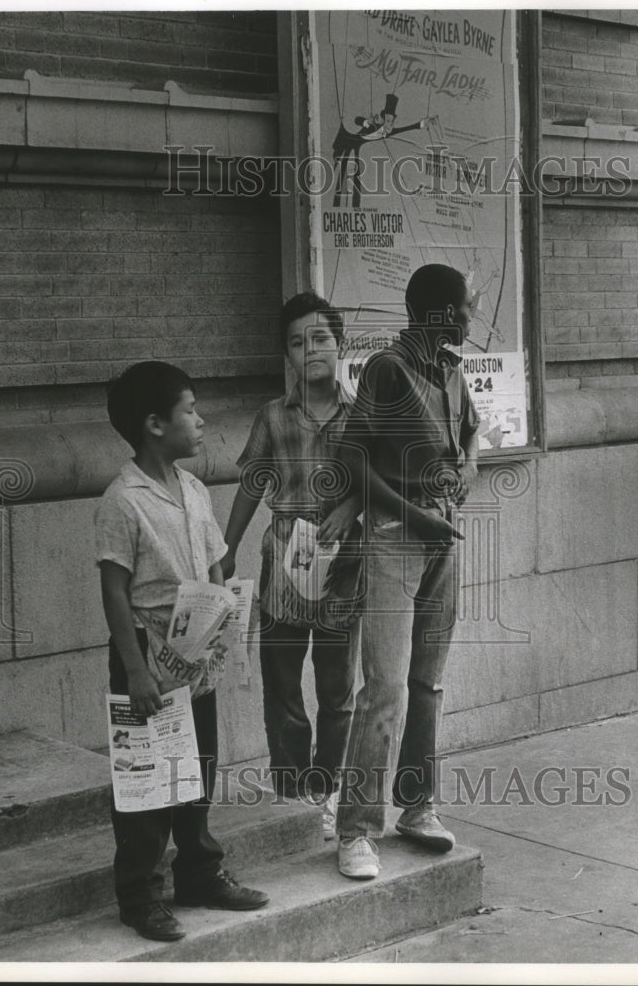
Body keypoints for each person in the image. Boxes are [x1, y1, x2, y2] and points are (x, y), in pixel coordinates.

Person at [94, 361, 269, 942]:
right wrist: (137, 671)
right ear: (154, 425)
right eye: (190, 410)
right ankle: (139, 895)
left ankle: (198, 873)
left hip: (195, 656)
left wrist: (226, 618)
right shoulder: (123, 501)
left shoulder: (193, 489)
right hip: (147, 657)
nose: (200, 421)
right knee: (147, 780)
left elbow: (218, 562)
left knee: (198, 770)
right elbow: (115, 591)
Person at [335, 263, 480, 879]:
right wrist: (417, 519)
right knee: (386, 686)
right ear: (442, 313)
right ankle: (356, 830)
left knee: (429, 682)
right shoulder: (387, 370)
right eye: (467, 306)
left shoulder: (451, 371)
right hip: (396, 538)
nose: (474, 315)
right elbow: (353, 464)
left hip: (443, 540)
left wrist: (469, 470)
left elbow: (473, 436)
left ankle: (417, 809)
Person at [221, 292, 363, 839]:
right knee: (281, 687)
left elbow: (383, 484)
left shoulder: (361, 416)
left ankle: (327, 792)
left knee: (336, 690)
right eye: (299, 342)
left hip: (341, 565)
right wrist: (227, 548)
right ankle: (290, 791)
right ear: (289, 355)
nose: (312, 350)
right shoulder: (273, 418)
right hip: (283, 562)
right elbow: (251, 486)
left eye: (321, 338)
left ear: (341, 344)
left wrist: (351, 508)